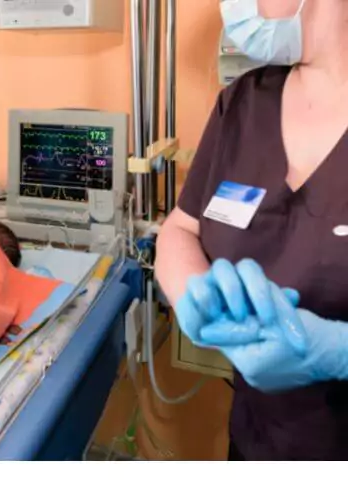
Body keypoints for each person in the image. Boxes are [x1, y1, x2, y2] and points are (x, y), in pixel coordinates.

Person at [155, 0, 348, 461]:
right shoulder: (244, 101)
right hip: (257, 441)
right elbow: (181, 227)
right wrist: (193, 294)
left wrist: (338, 352)